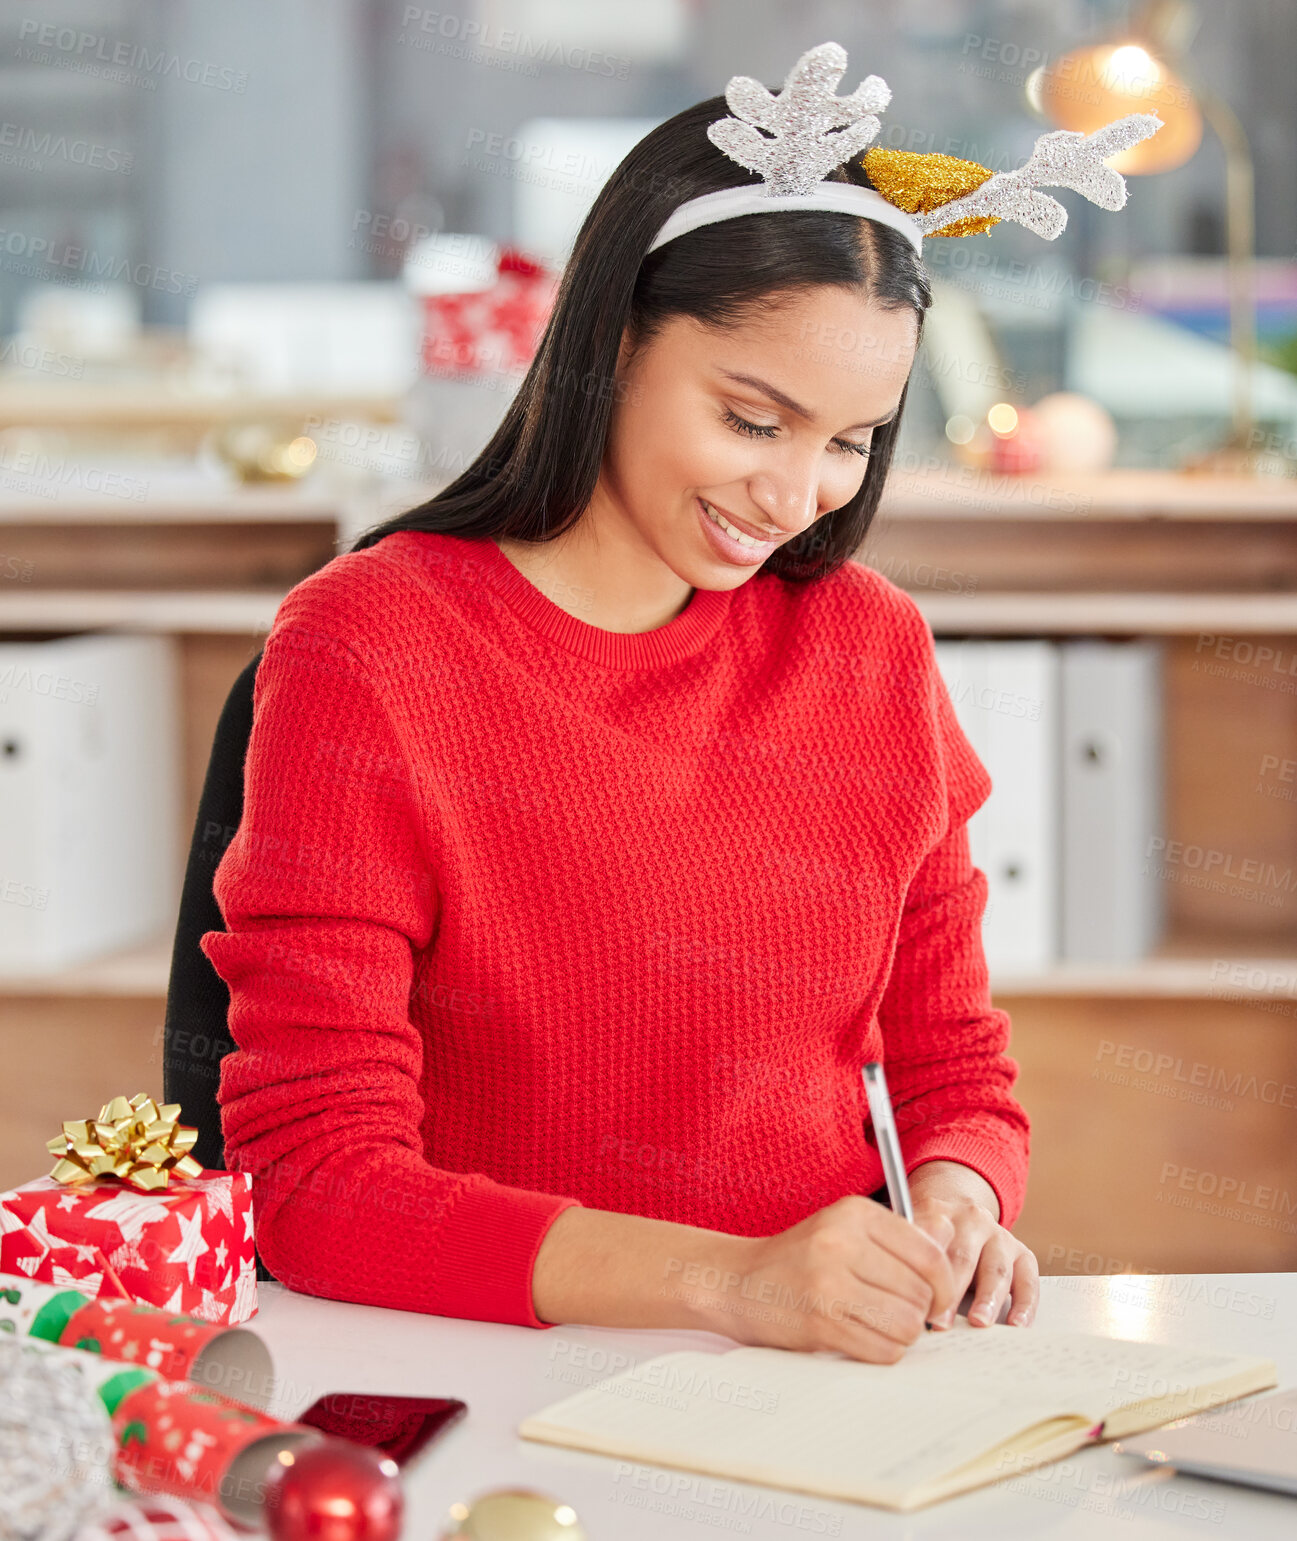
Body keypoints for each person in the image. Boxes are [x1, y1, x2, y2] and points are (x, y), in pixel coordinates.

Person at [201, 42, 1158, 1365]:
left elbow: (951, 1068)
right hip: (490, 1362)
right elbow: (313, 1181)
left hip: (812, 1368)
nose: (796, 494)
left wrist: (951, 1198)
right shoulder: (373, 644)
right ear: (611, 342)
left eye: (852, 440)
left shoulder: (866, 648)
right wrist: (729, 1280)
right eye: (751, 418)